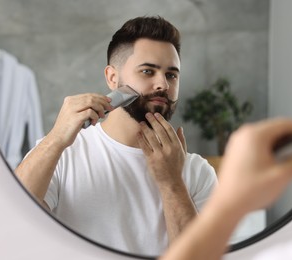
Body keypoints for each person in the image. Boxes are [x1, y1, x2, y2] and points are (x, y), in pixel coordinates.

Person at [14, 16, 218, 255]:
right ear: (113, 78)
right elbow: (10, 218)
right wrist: (56, 139)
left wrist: (172, 182)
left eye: (171, 75)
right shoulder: (61, 155)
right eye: (147, 71)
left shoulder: (197, 172)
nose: (162, 83)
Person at [160, 118, 292, 260]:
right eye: (147, 79)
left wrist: (173, 182)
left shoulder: (198, 169)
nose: (163, 83)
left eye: (172, 79)